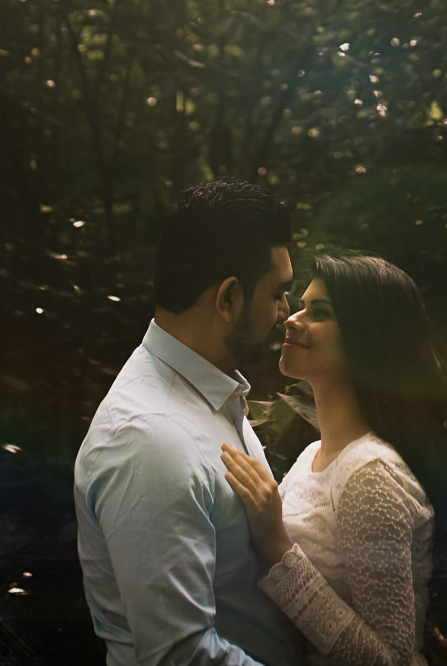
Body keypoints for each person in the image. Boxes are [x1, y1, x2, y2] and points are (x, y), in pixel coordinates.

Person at [74, 180, 302, 666]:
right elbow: (181, 656)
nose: (286, 312)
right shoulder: (150, 439)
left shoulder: (213, 396)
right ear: (228, 299)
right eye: (279, 294)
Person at [219, 254, 439, 666]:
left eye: (319, 312)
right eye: (300, 305)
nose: (292, 319)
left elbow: (389, 660)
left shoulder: (369, 475)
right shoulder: (311, 457)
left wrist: (279, 547)